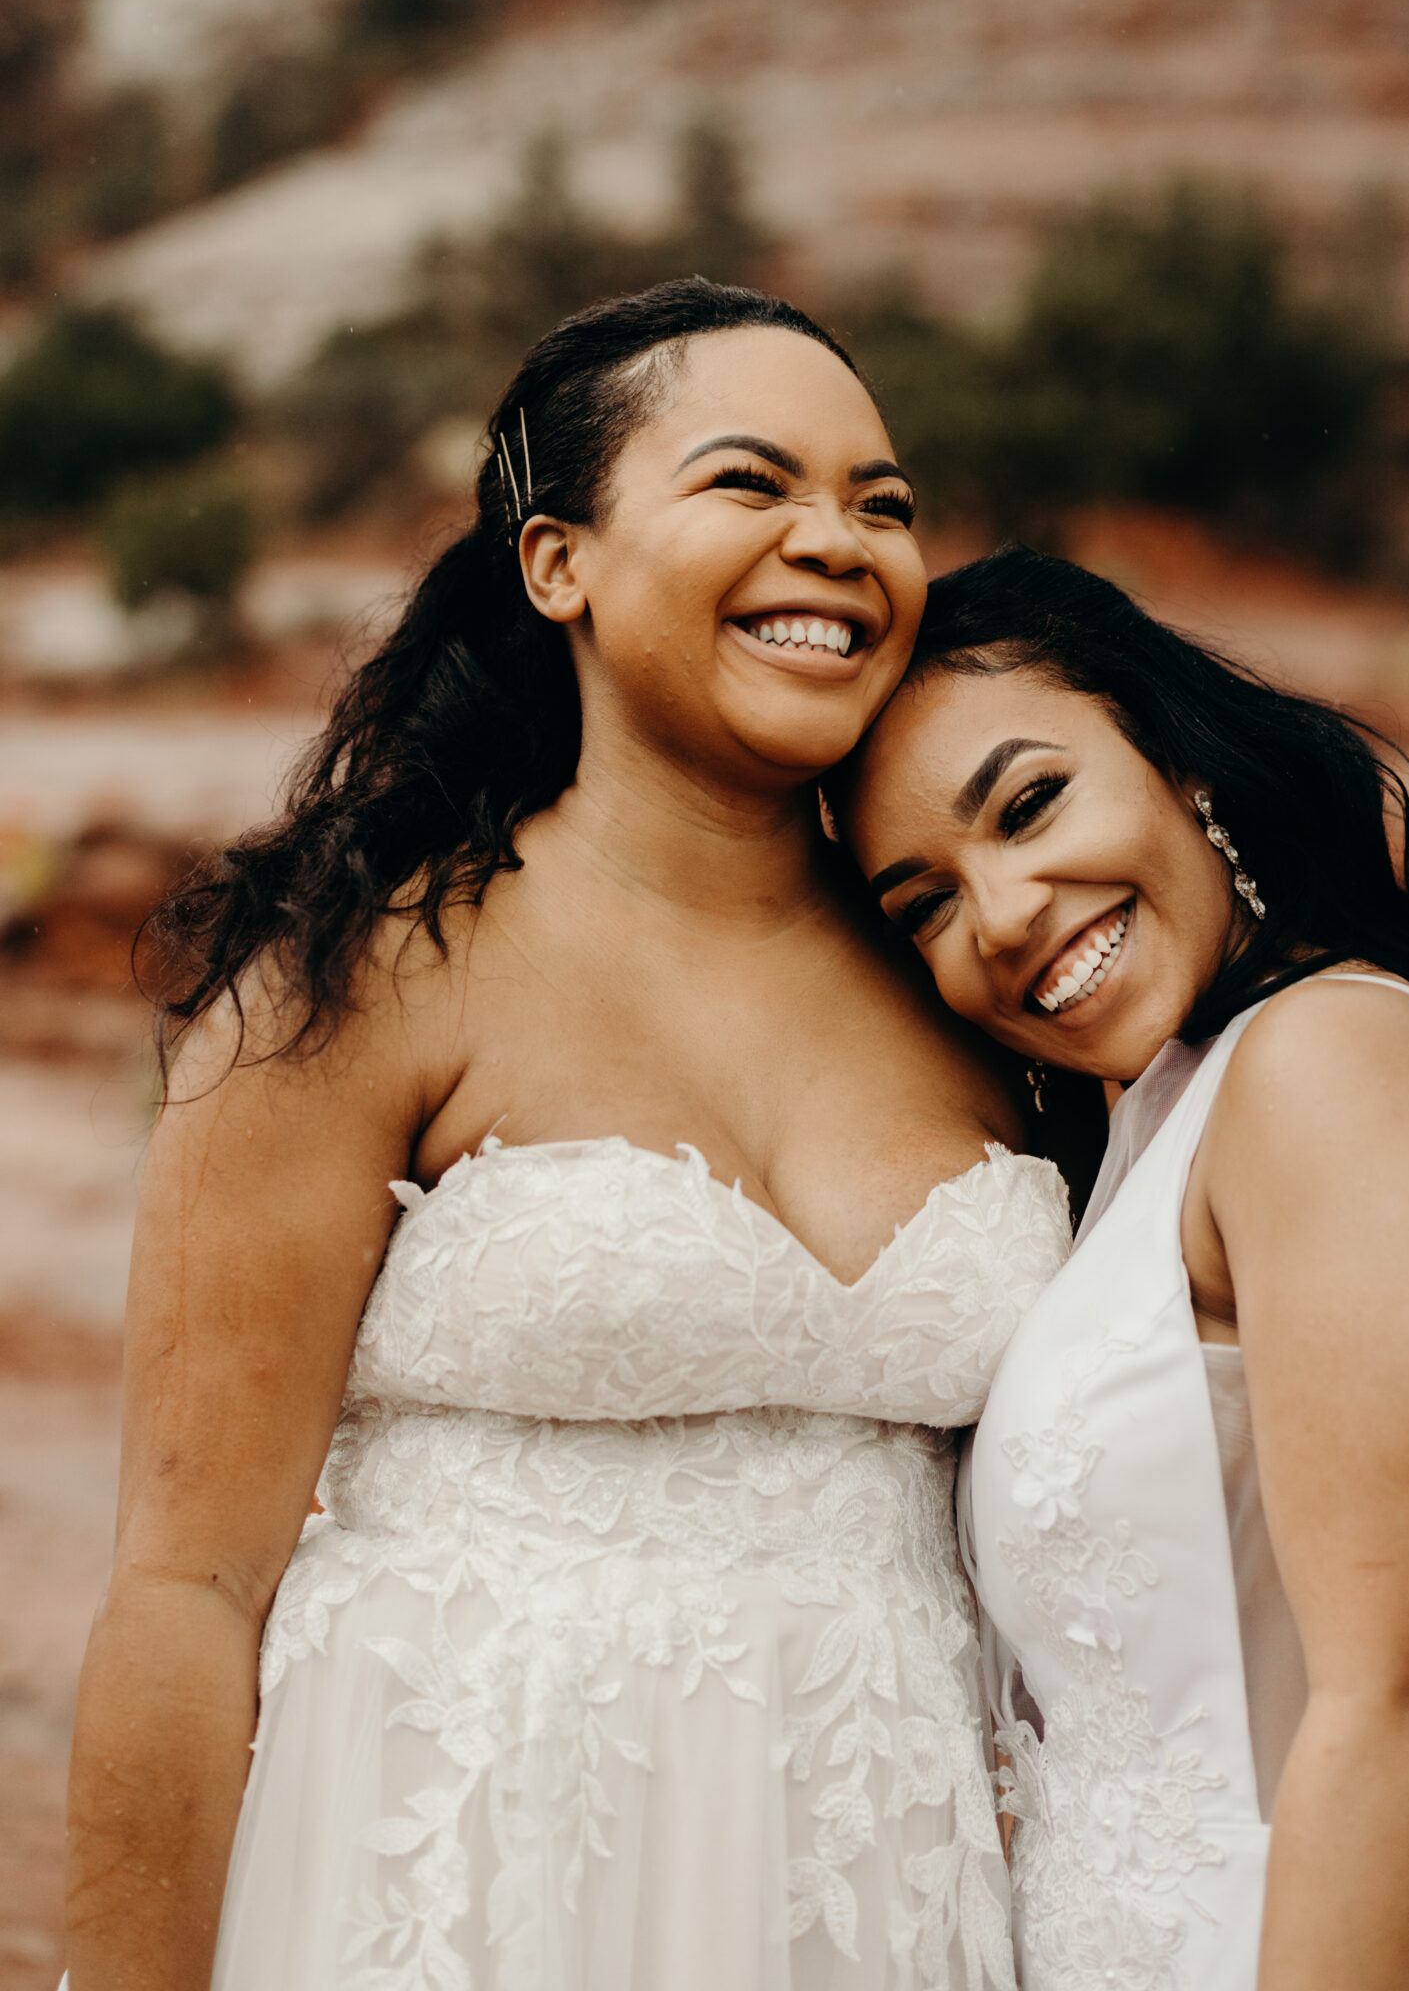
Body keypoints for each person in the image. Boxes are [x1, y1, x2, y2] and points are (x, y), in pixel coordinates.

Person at [62, 286, 1073, 1991]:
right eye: (752, 484)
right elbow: (183, 1593)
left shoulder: (978, 981)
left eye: (882, 504)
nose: (837, 542)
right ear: (559, 564)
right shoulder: (358, 972)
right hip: (464, 1892)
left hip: (875, 1905)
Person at [837, 546, 1409, 1991]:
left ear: (1181, 763)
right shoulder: (1165, 1121)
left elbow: (1402, 1698)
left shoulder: (1329, 1064)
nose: (998, 914)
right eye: (921, 901)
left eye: (1033, 802)